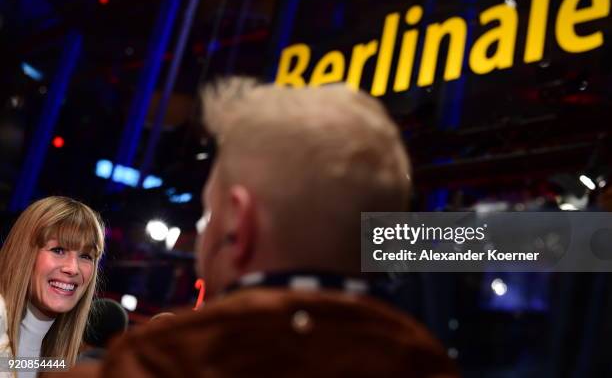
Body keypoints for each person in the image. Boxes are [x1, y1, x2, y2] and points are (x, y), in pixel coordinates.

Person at [97, 79, 458, 377]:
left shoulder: (142, 366)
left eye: (208, 214)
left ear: (240, 222)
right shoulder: (429, 365)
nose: (203, 232)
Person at [0, 196, 105, 377]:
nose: (73, 268)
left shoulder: (56, 361)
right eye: (58, 250)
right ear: (24, 254)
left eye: (86, 256)